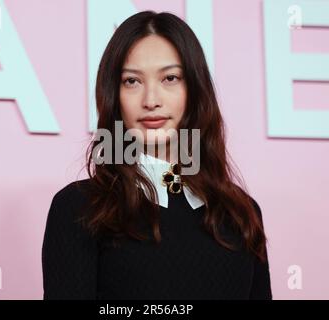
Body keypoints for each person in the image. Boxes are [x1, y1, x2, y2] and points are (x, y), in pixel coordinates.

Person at [42, 10, 272, 300]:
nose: (151, 100)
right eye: (132, 81)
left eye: (170, 78)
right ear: (114, 96)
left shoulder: (241, 212)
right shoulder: (79, 208)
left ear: (195, 91)